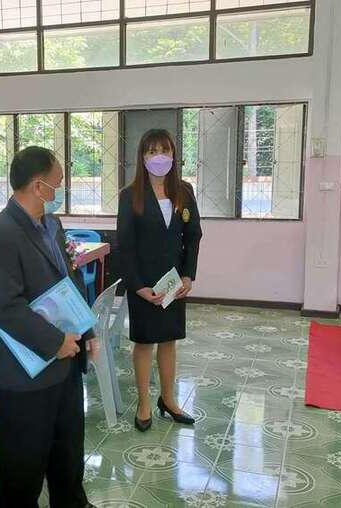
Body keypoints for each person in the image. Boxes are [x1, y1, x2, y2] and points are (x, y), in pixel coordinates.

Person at [0, 146, 98, 508]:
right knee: (24, 468)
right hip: (26, 373)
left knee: (68, 454)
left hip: (66, 362)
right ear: (37, 185)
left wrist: (87, 329)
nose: (60, 189)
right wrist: (55, 341)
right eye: (57, 183)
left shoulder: (52, 225)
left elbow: (68, 281)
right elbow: (7, 309)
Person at [117, 129, 202, 432]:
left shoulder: (184, 191)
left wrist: (188, 275)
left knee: (168, 340)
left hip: (173, 282)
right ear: (142, 157)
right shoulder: (130, 195)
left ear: (173, 155)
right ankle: (143, 403)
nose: (159, 157)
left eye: (164, 151)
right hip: (143, 284)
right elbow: (124, 245)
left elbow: (193, 236)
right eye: (152, 151)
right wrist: (138, 286)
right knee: (144, 343)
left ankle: (168, 400)